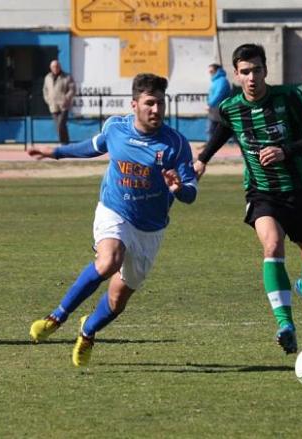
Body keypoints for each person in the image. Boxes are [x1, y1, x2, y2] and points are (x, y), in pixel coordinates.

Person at [28, 73, 198, 367]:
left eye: (160, 103)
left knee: (117, 301)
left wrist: (178, 188)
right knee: (109, 261)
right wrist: (54, 152)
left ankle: (88, 331)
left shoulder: (176, 144)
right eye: (149, 103)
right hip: (114, 209)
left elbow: (191, 193)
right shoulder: (115, 128)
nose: (156, 110)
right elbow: (90, 147)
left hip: (150, 228)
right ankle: (56, 317)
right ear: (134, 104)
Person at [194, 43, 302, 355]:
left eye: (257, 70)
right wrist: (202, 159)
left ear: (265, 70)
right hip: (263, 194)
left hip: (301, 193)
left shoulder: (287, 97)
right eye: (245, 72)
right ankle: (285, 324)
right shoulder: (231, 107)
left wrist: (286, 151)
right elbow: (221, 131)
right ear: (237, 75)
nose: (252, 77)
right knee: (272, 246)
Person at [42, 59, 76, 144]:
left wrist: (66, 98)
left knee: (61, 124)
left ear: (60, 67)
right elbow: (45, 90)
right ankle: (66, 143)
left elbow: (72, 89)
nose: (55, 68)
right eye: (53, 66)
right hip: (53, 105)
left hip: (63, 105)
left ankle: (63, 143)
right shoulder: (47, 77)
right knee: (59, 126)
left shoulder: (67, 77)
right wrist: (48, 100)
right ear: (50, 68)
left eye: (57, 66)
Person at [206, 63, 231, 142]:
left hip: (218, 108)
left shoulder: (222, 81)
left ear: (217, 71)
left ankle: (210, 145)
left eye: (211, 71)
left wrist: (210, 104)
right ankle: (210, 144)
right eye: (209, 71)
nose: (210, 73)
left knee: (212, 128)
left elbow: (219, 94)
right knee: (212, 128)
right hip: (215, 108)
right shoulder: (217, 81)